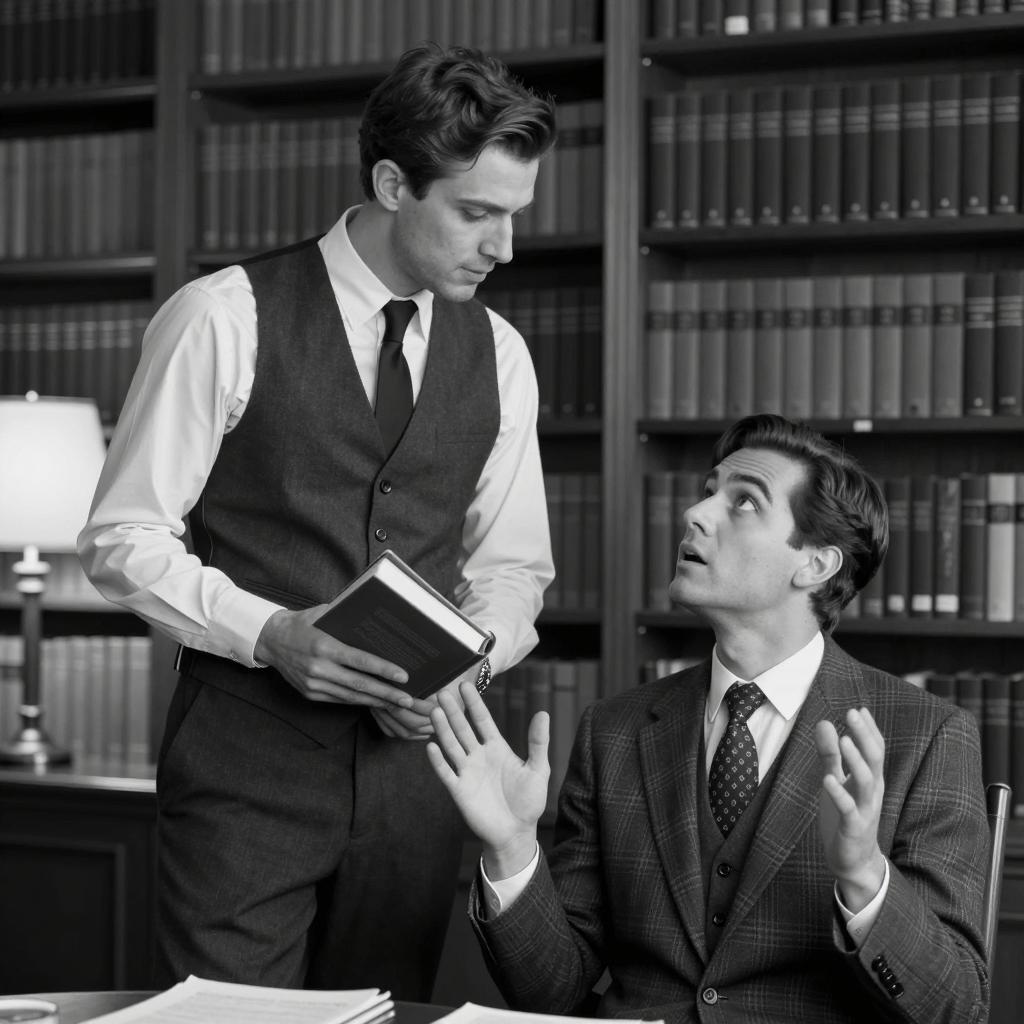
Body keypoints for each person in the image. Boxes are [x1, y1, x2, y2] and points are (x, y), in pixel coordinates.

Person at [78, 43, 556, 996]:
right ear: (392, 184)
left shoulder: (501, 353)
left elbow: (514, 569)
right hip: (242, 780)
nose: (503, 247)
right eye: (476, 213)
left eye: (515, 215)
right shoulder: (222, 317)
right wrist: (270, 635)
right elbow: (122, 537)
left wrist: (468, 661)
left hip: (417, 784)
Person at [427, 413, 989, 1023]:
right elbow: (553, 993)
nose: (695, 514)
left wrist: (865, 877)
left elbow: (958, 1009)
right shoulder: (611, 732)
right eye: (708, 491)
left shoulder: (926, 736)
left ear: (816, 564)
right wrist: (512, 848)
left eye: (744, 502)